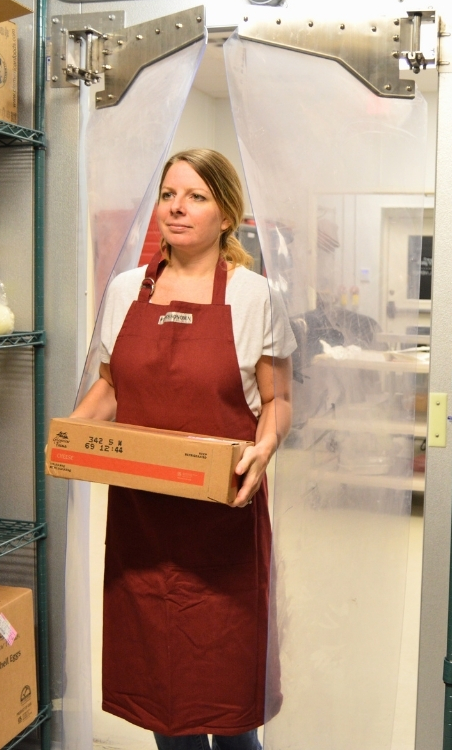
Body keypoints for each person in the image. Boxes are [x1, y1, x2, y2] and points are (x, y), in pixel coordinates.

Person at [71, 149, 295, 750]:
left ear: (226, 215)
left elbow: (277, 401)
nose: (177, 206)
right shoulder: (124, 291)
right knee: (162, 694)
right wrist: (70, 437)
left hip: (224, 516)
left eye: (196, 196)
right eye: (170, 194)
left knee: (228, 693)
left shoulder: (254, 297)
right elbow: (112, 387)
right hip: (144, 519)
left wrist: (264, 448)